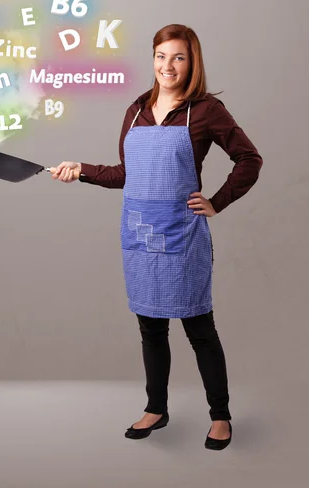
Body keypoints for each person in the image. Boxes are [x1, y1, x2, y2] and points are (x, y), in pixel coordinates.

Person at [51, 24, 263, 450]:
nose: (169, 66)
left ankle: (220, 416)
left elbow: (249, 159)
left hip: (182, 238)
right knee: (150, 329)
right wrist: (83, 169)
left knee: (200, 329)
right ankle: (156, 408)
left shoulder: (205, 110)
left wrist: (217, 201)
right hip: (140, 237)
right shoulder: (135, 109)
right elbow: (126, 174)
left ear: (192, 62)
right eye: (162, 56)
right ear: (153, 59)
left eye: (179, 57)